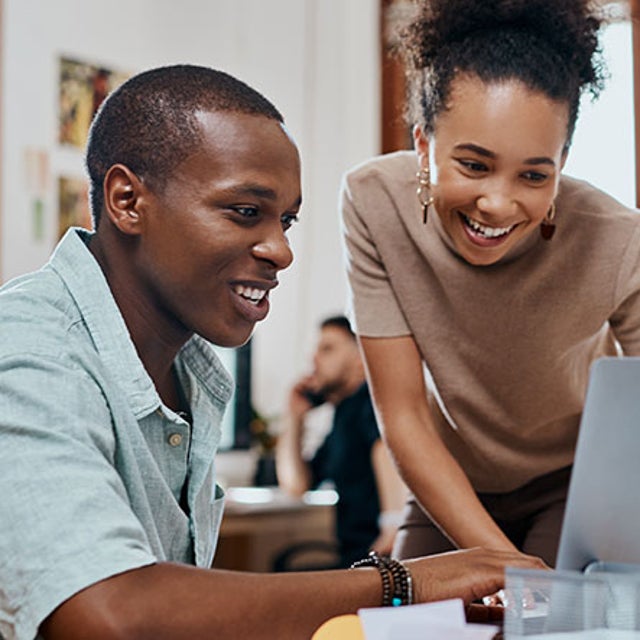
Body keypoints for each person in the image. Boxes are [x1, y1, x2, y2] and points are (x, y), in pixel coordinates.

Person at [0, 64, 545, 640]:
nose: (281, 250)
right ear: (128, 200)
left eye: (286, 220)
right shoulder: (29, 346)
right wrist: (399, 583)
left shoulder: (185, 369)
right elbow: (108, 613)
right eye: (245, 212)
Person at [340, 0, 640, 572]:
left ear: (562, 162)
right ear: (424, 144)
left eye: (533, 174)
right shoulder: (373, 202)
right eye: (474, 165)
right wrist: (508, 564)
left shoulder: (619, 242)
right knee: (408, 630)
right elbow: (402, 415)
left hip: (573, 485)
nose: (498, 204)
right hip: (449, 481)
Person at [277, 315, 407, 567]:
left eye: (327, 349)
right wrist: (294, 418)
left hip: (377, 552)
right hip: (354, 554)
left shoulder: (370, 401)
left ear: (361, 358)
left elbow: (386, 451)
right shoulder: (342, 417)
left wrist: (392, 526)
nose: (313, 360)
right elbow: (296, 485)